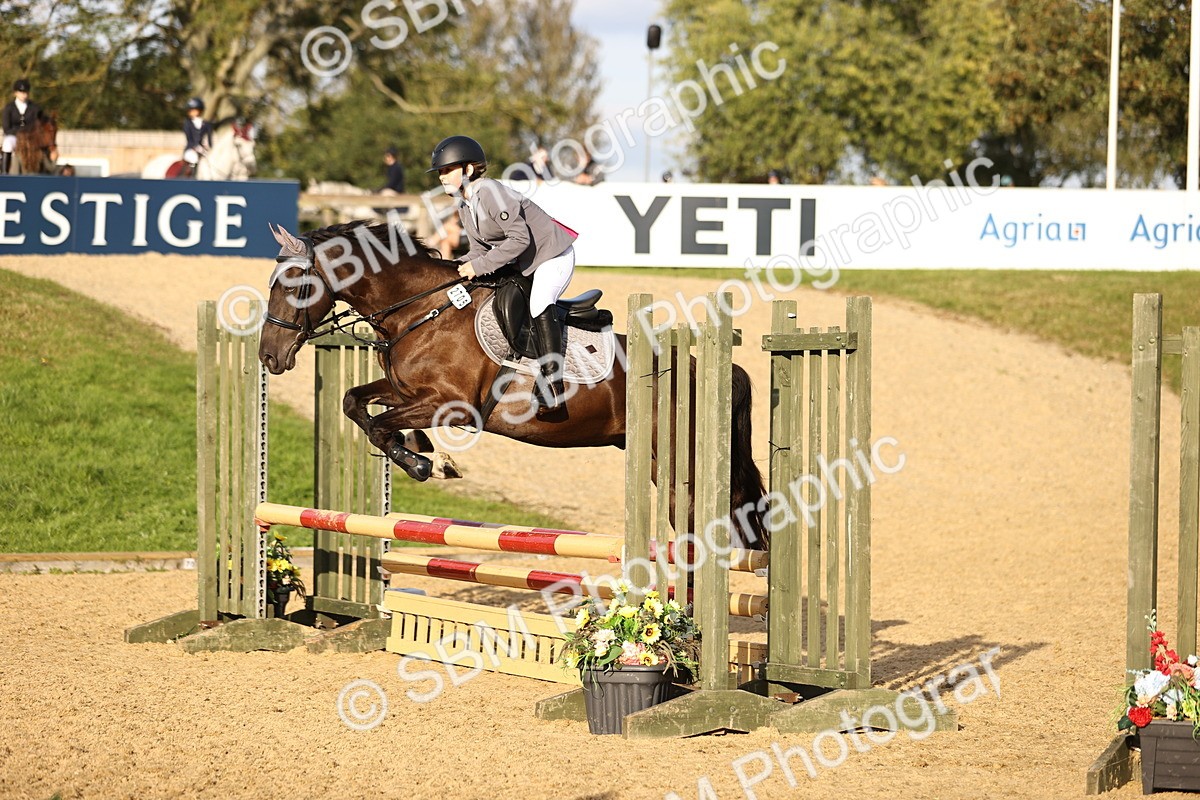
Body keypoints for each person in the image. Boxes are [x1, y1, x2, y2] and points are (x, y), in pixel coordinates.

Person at [430, 134, 577, 414]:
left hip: (553, 255)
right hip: (523, 262)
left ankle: (552, 383)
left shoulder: (491, 193)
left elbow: (519, 240)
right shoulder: (464, 205)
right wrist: (448, 269)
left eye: (447, 170)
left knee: (539, 302)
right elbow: (478, 251)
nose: (442, 176)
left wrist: (479, 266)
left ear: (468, 170)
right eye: (440, 172)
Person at [2, 78, 41, 175]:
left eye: (26, 92)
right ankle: (4, 172)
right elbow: (6, 128)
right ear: (15, 93)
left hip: (30, 137)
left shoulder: (34, 108)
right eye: (21, 92)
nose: (24, 94)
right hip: (14, 137)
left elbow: (37, 124)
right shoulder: (9, 108)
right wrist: (19, 135)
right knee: (7, 143)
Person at [181, 97, 213, 178]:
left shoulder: (206, 124)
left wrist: (209, 148)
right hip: (191, 149)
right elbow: (189, 139)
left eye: (195, 110)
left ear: (200, 110)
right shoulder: (187, 124)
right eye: (191, 110)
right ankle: (192, 177)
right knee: (193, 158)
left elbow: (209, 138)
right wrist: (196, 147)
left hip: (203, 150)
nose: (193, 112)